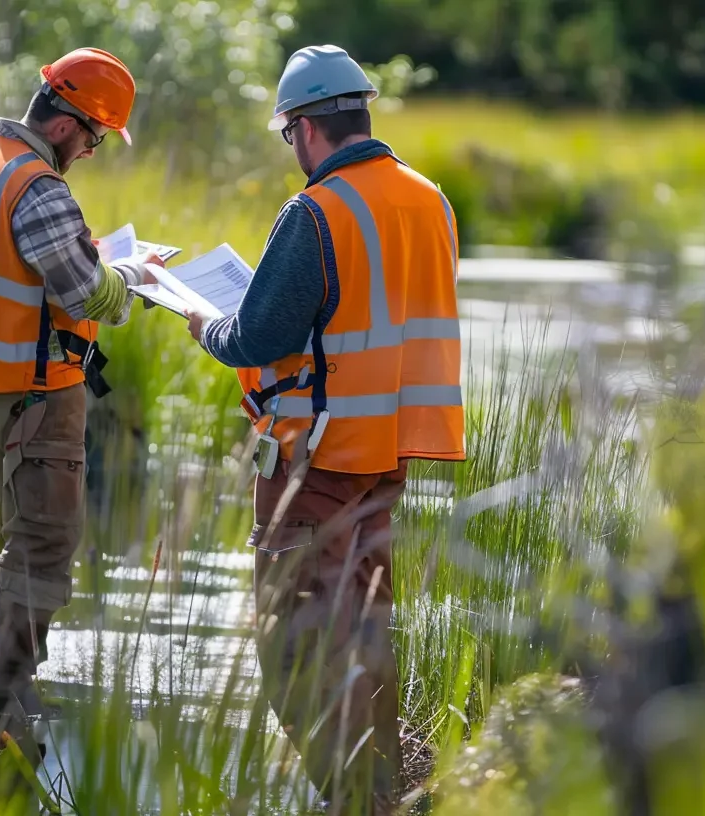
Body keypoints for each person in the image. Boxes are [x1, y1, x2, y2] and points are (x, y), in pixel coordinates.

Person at [184, 44, 466, 813]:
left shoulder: (315, 212)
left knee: (293, 655)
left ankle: (356, 801)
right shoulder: (431, 200)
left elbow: (256, 338)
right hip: (387, 459)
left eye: (289, 136)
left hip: (313, 468)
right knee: (365, 640)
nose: (294, 151)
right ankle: (380, 791)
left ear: (306, 127)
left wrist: (202, 322)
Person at [0, 47, 162, 742]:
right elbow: (82, 290)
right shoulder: (37, 184)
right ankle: (6, 694)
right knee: (45, 542)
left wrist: (104, 263)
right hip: (36, 391)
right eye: (94, 137)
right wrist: (133, 282)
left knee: (2, 530)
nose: (91, 151)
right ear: (68, 124)